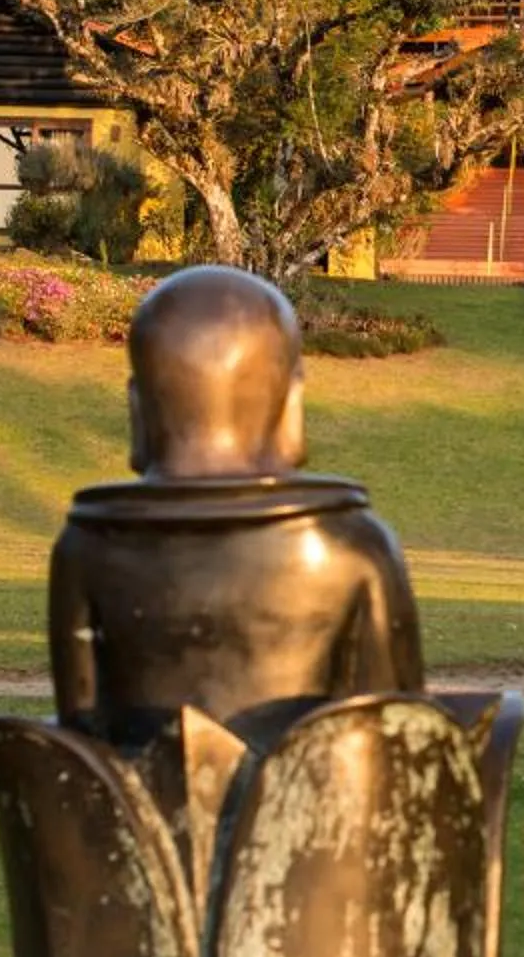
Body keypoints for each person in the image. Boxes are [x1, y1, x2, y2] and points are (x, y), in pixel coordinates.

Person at [46, 266, 423, 760]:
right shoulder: (350, 548)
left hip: (138, 827)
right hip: (317, 826)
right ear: (293, 402)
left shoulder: (85, 548)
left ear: (138, 406)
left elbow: (82, 735)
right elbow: (397, 735)